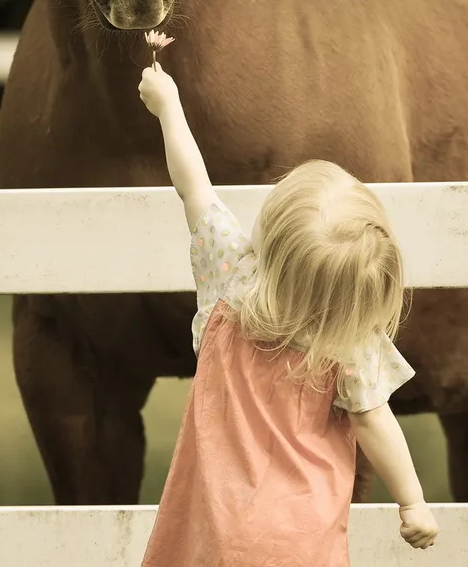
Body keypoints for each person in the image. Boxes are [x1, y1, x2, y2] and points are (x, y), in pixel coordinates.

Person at [136, 59, 439, 566]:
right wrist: (413, 502)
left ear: (270, 236)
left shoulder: (229, 281)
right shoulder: (350, 337)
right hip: (301, 540)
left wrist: (169, 109)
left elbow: (195, 187)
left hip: (215, 527)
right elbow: (374, 422)